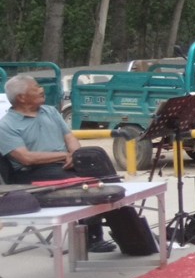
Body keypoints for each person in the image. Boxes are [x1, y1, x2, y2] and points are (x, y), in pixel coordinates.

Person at [0, 75, 118, 253]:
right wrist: (64, 156)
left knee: (100, 165)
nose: (42, 90)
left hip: (63, 163)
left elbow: (70, 137)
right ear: (21, 97)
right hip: (32, 172)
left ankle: (127, 228)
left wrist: (75, 155)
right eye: (36, 87)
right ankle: (91, 238)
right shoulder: (6, 125)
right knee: (85, 183)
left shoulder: (50, 111)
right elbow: (26, 158)